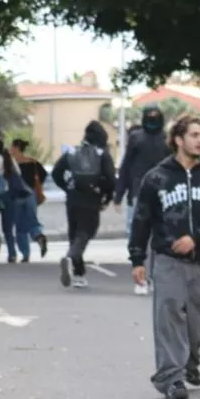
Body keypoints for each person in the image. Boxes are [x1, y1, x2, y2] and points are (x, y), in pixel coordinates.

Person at [129, 115, 200, 399]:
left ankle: (189, 357)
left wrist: (197, 237)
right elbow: (141, 220)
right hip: (167, 260)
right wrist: (137, 258)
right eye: (195, 135)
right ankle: (171, 378)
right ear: (178, 139)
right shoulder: (157, 178)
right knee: (168, 315)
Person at [51, 121, 116, 288]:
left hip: (73, 198)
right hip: (91, 199)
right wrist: (106, 198)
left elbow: (56, 172)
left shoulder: (72, 152)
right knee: (85, 233)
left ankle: (79, 274)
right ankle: (70, 258)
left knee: (74, 235)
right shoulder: (102, 154)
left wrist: (67, 188)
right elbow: (111, 180)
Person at [115, 105, 170, 295]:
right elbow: (126, 167)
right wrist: (119, 194)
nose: (152, 120)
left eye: (156, 117)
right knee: (138, 237)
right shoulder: (136, 138)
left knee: (158, 238)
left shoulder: (167, 140)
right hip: (139, 193)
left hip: (162, 194)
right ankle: (141, 278)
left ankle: (154, 277)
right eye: (149, 117)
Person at [0, 147, 39, 262]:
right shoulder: (12, 163)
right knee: (21, 228)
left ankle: (12, 254)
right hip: (21, 196)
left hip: (7, 198)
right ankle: (26, 253)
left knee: (7, 228)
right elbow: (20, 175)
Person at [10, 139, 49, 258]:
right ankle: (39, 236)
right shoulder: (32, 162)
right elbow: (44, 175)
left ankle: (25, 254)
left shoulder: (11, 164)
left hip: (17, 197)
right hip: (31, 195)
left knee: (20, 227)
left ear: (16, 148)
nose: (10, 149)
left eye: (12, 147)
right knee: (32, 220)